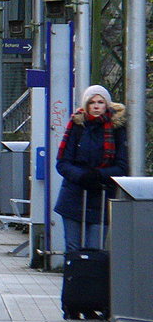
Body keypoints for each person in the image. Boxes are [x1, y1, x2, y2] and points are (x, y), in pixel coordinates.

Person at [54, 84, 128, 254]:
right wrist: (81, 176)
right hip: (74, 196)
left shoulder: (116, 129)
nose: (96, 106)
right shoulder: (76, 126)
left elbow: (122, 166)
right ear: (86, 105)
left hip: (101, 195)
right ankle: (75, 279)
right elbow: (63, 162)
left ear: (106, 104)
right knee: (73, 248)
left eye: (100, 102)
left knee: (95, 248)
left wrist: (98, 175)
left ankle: (92, 280)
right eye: (92, 102)